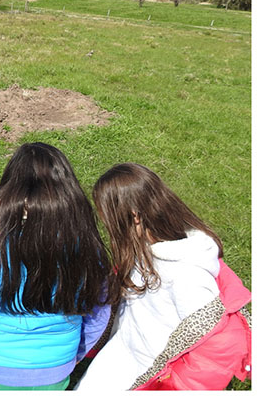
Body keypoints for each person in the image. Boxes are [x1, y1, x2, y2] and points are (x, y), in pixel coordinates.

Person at [0, 142, 114, 390]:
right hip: (55, 368)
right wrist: (77, 351)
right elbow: (99, 310)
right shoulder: (87, 247)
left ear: (10, 188)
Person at [75, 163, 251, 390]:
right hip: (123, 351)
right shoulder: (144, 247)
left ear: (134, 217)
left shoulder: (186, 274)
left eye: (109, 220)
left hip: (151, 371)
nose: (107, 228)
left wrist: (172, 386)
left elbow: (215, 340)